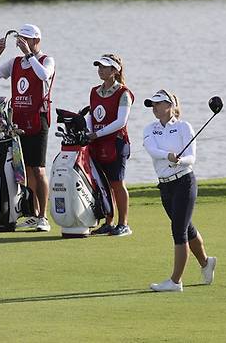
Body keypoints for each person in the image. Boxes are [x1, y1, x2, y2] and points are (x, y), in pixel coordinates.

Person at [142, 89, 216, 292]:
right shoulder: (150, 129)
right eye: (152, 104)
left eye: (158, 104)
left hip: (184, 182)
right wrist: (169, 156)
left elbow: (191, 157)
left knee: (179, 230)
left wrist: (180, 160)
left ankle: (175, 281)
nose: (154, 108)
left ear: (170, 106)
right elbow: (152, 150)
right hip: (165, 185)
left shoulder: (184, 127)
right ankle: (206, 263)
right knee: (187, 228)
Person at [0, 24, 55, 232]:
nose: (21, 43)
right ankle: (32, 213)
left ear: (36, 41)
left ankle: (43, 216)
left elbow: (44, 76)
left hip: (38, 120)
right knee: (25, 170)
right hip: (18, 122)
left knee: (39, 169)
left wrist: (29, 55)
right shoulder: (16, 62)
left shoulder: (46, 60)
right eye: (20, 39)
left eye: (26, 39)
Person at [86, 53, 135, 236]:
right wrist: (89, 132)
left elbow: (120, 122)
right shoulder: (94, 91)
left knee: (117, 183)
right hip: (97, 143)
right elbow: (91, 115)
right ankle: (109, 222)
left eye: (105, 67)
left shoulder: (123, 93)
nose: (100, 70)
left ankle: (123, 224)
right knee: (103, 185)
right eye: (99, 66)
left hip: (116, 144)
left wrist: (96, 134)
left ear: (115, 70)